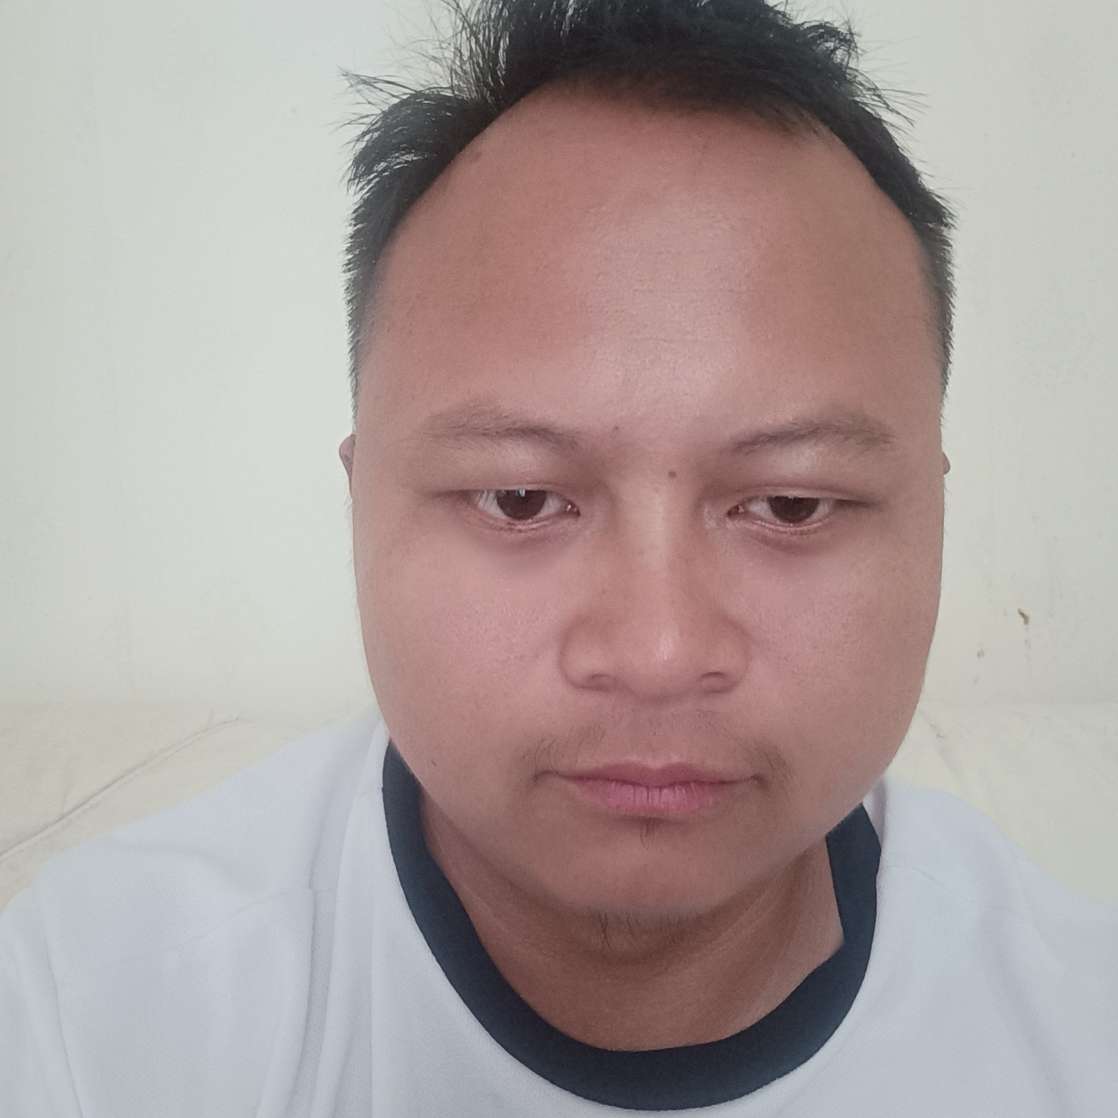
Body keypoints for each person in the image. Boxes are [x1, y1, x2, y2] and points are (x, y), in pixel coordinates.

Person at [2, 0, 1115, 1113]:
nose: (657, 651)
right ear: (359, 504)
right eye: (521, 497)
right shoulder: (95, 1015)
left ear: (930, 515)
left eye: (789, 503)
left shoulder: (1077, 1032)